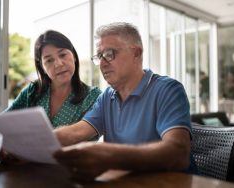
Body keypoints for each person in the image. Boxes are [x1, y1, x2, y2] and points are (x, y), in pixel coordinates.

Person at [53, 22, 198, 180]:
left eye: (109, 54)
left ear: (136, 53)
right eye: (99, 56)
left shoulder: (168, 90)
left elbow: (178, 153)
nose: (102, 63)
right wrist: (34, 142)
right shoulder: (107, 96)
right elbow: (76, 132)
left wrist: (109, 156)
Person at [5, 30, 102, 128]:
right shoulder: (32, 91)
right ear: (42, 67)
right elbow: (3, 121)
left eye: (63, 55)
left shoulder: (92, 96)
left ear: (74, 56)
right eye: (49, 60)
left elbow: (83, 135)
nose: (58, 64)